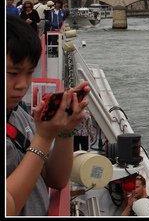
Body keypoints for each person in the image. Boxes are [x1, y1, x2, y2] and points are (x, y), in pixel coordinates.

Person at [6, 14, 91, 215]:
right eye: (12, 73)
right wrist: (43, 137)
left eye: (29, 73)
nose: (22, 85)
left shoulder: (18, 115)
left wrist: (64, 131)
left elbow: (56, 179)